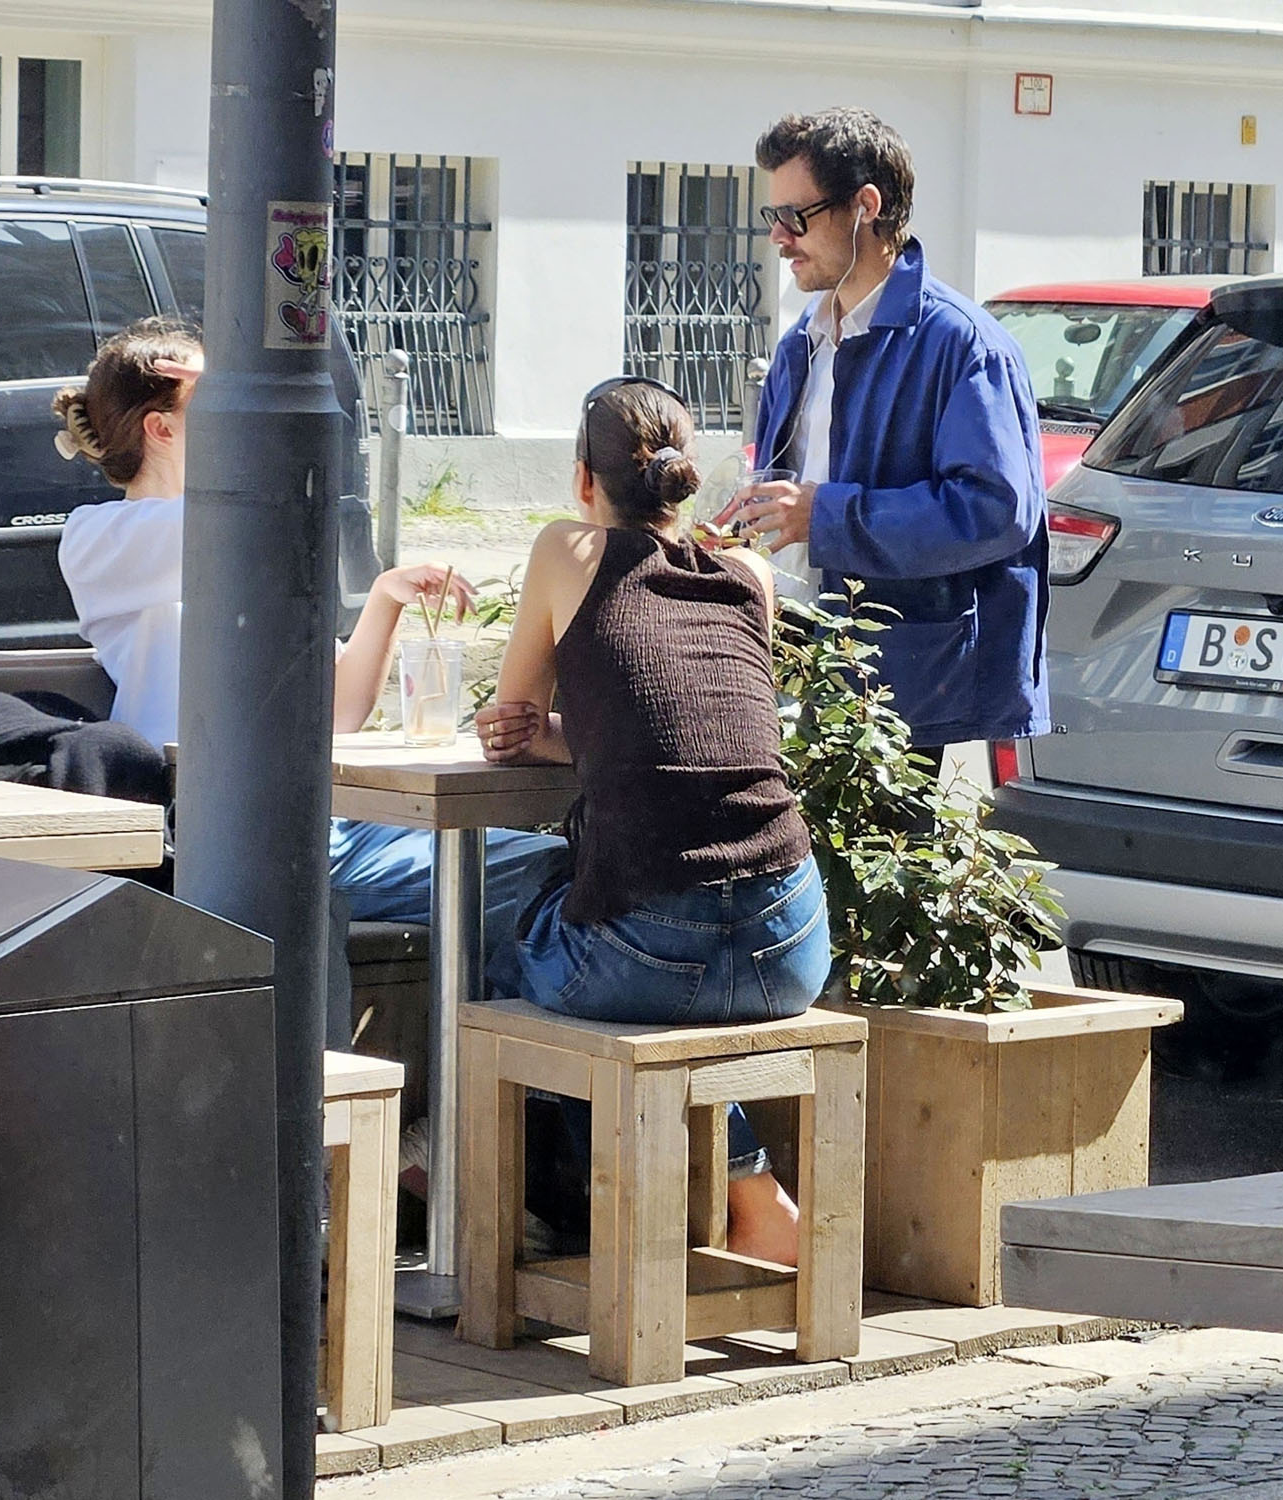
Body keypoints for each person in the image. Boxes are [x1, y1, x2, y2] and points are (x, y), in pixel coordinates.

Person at [51, 317, 560, 1044]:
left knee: (538, 869)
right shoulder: (100, 538)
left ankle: (490, 1091)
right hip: (224, 830)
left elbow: (340, 712)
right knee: (529, 878)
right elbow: (240, 515)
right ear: (161, 429)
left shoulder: (251, 533)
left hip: (316, 819)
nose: (244, 414)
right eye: (219, 400)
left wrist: (384, 599)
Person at [475, 376, 830, 1266]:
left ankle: (598, 1223)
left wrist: (527, 732)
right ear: (685, 478)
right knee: (627, 956)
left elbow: (514, 719)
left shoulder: (566, 549)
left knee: (502, 950)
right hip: (791, 946)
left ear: (582, 479)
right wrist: (558, 736)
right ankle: (744, 1197)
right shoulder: (749, 576)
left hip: (648, 951)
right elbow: (698, 728)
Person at [725, 107, 1049, 769]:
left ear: (865, 206)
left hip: (897, 681)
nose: (778, 236)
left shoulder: (964, 345)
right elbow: (787, 483)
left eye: (794, 216)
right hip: (786, 654)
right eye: (772, 216)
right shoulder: (801, 341)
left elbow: (995, 511)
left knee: (877, 840)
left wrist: (824, 516)